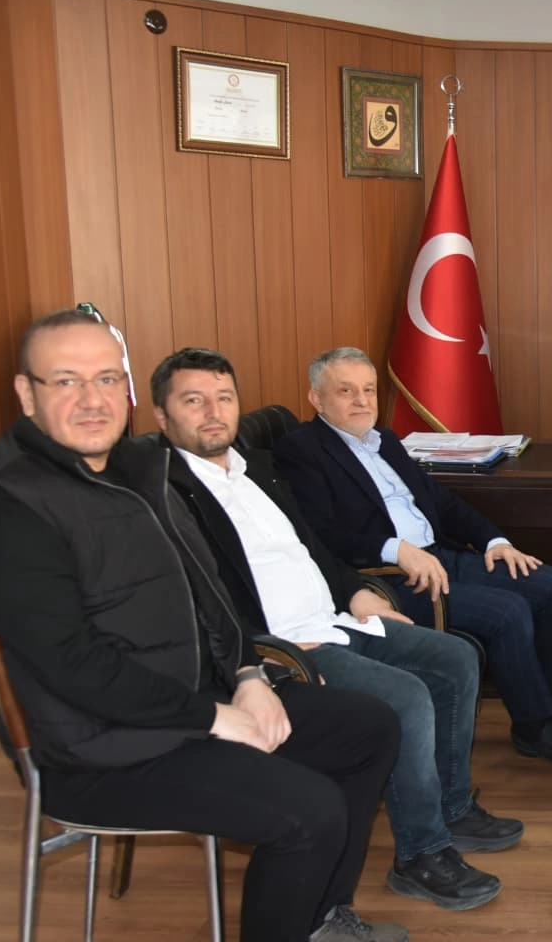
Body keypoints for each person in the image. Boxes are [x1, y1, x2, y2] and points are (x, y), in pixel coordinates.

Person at [0, 311, 406, 942]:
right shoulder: (2, 508)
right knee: (307, 808)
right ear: (26, 394)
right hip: (96, 750)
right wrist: (211, 717)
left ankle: (314, 917)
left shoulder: (135, 470)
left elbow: (208, 592)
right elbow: (73, 667)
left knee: (367, 726)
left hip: (180, 707)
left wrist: (247, 674)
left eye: (106, 379)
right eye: (66, 381)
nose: (92, 399)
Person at [152, 348, 522, 913]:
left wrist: (355, 590)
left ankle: (452, 808)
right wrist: (255, 650)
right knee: (406, 695)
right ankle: (421, 854)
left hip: (335, 616)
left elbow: (314, 545)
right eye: (193, 401)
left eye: (223, 398)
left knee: (455, 658)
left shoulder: (257, 470)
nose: (212, 412)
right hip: (283, 645)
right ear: (162, 416)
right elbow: (189, 595)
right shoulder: (165, 494)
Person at [273, 346, 552, 766]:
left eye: (368, 390)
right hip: (391, 577)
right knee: (507, 613)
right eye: (346, 391)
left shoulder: (386, 441)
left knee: (551, 584)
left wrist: (495, 542)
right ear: (317, 399)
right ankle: (535, 727)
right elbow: (318, 533)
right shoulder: (302, 450)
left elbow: (441, 502)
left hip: (440, 556)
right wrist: (395, 549)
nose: (362, 401)